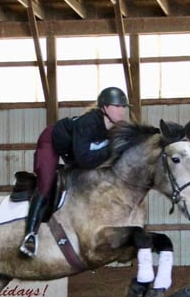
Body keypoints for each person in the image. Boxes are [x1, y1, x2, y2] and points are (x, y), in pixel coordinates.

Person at [19, 86, 131, 258]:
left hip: (73, 150)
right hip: (51, 142)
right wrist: (111, 149)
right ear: (104, 108)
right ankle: (30, 236)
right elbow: (84, 159)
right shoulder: (89, 123)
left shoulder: (115, 128)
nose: (122, 110)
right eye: (117, 106)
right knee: (46, 182)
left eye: (124, 106)